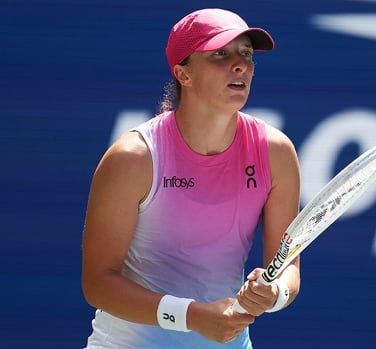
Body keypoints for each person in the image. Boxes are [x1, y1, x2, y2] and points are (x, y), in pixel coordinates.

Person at [81, 8, 301, 348]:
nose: (240, 64)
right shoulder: (133, 158)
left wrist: (274, 293)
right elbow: (98, 284)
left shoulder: (277, 153)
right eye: (220, 54)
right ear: (183, 74)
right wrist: (192, 316)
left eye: (246, 54)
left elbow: (288, 270)